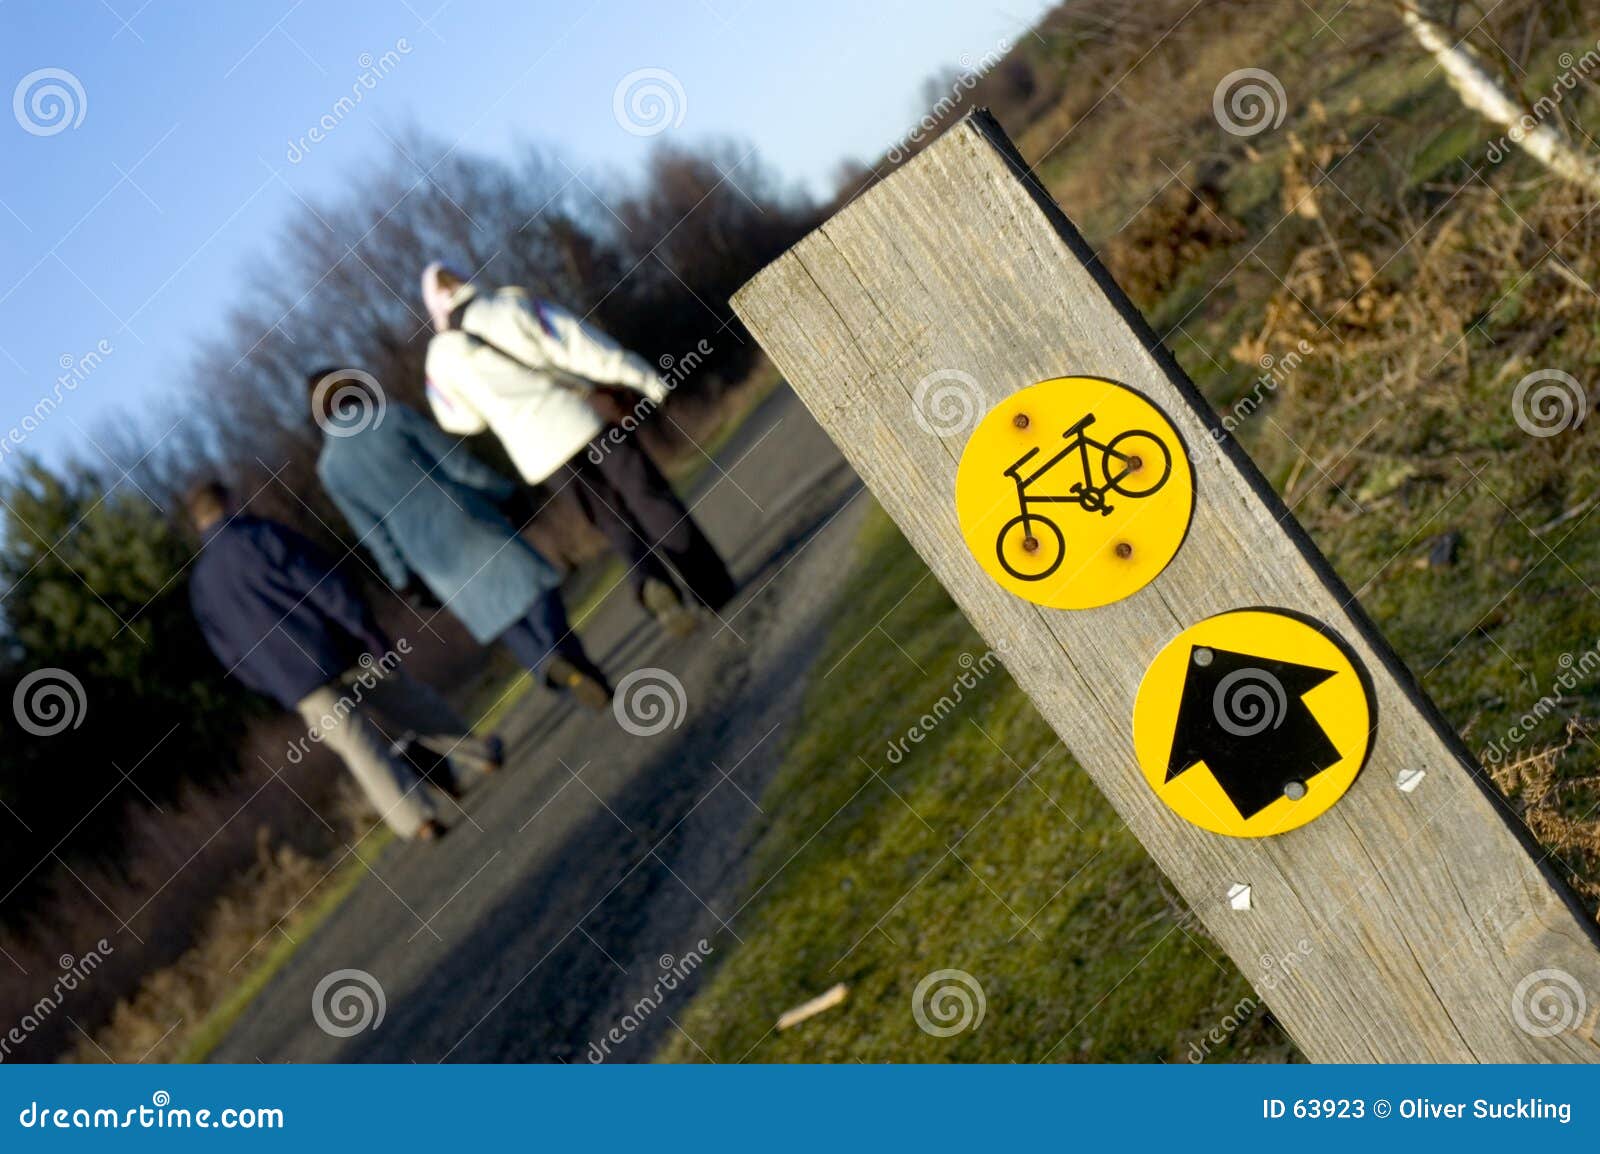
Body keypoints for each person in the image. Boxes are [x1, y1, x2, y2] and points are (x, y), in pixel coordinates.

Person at [418, 263, 736, 637]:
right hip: (586, 422)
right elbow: (578, 344)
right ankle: (712, 590)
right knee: (649, 497)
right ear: (463, 282)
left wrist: (495, 409)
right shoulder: (509, 306)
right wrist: (639, 375)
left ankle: (650, 581)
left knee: (611, 520)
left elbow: (459, 420)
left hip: (540, 455)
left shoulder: (439, 360)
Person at [184, 479, 502, 842]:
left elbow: (230, 655)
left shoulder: (202, 587)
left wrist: (274, 684)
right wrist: (363, 626)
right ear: (229, 501)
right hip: (339, 650)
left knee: (359, 748)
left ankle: (418, 821)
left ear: (198, 522)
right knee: (410, 703)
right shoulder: (263, 537)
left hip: (296, 683)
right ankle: (480, 754)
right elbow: (322, 583)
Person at [307, 367, 613, 709]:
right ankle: (569, 662)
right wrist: (505, 493)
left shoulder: (330, 469)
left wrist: (403, 579)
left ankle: (553, 668)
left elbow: (372, 532)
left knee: (499, 616)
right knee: (534, 587)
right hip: (465, 517)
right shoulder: (393, 418)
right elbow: (458, 464)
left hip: (427, 555)